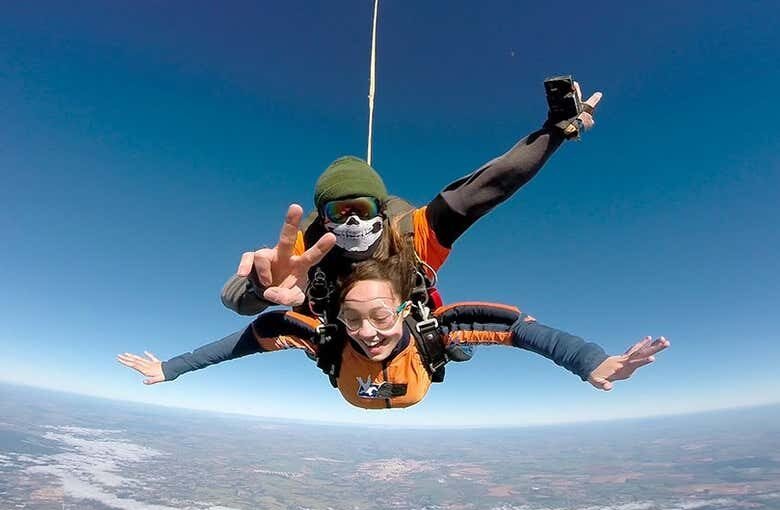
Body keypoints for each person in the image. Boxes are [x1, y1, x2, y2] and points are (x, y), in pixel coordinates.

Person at [221, 81, 603, 319]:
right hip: (340, 334)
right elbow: (232, 297)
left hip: (403, 329)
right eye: (340, 212)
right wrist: (258, 287)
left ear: (382, 211)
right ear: (324, 217)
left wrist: (555, 132)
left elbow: (490, 184)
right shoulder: (307, 248)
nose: (352, 222)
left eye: (363, 209)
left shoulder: (413, 234)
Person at [118, 253, 669, 410]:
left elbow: (527, 333)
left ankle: (448, 349)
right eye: (354, 319)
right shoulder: (327, 336)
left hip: (419, 374)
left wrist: (592, 362)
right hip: (360, 388)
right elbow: (240, 343)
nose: (368, 332)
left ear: (405, 309)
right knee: (303, 331)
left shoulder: (433, 330)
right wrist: (171, 368)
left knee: (457, 342)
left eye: (381, 317)